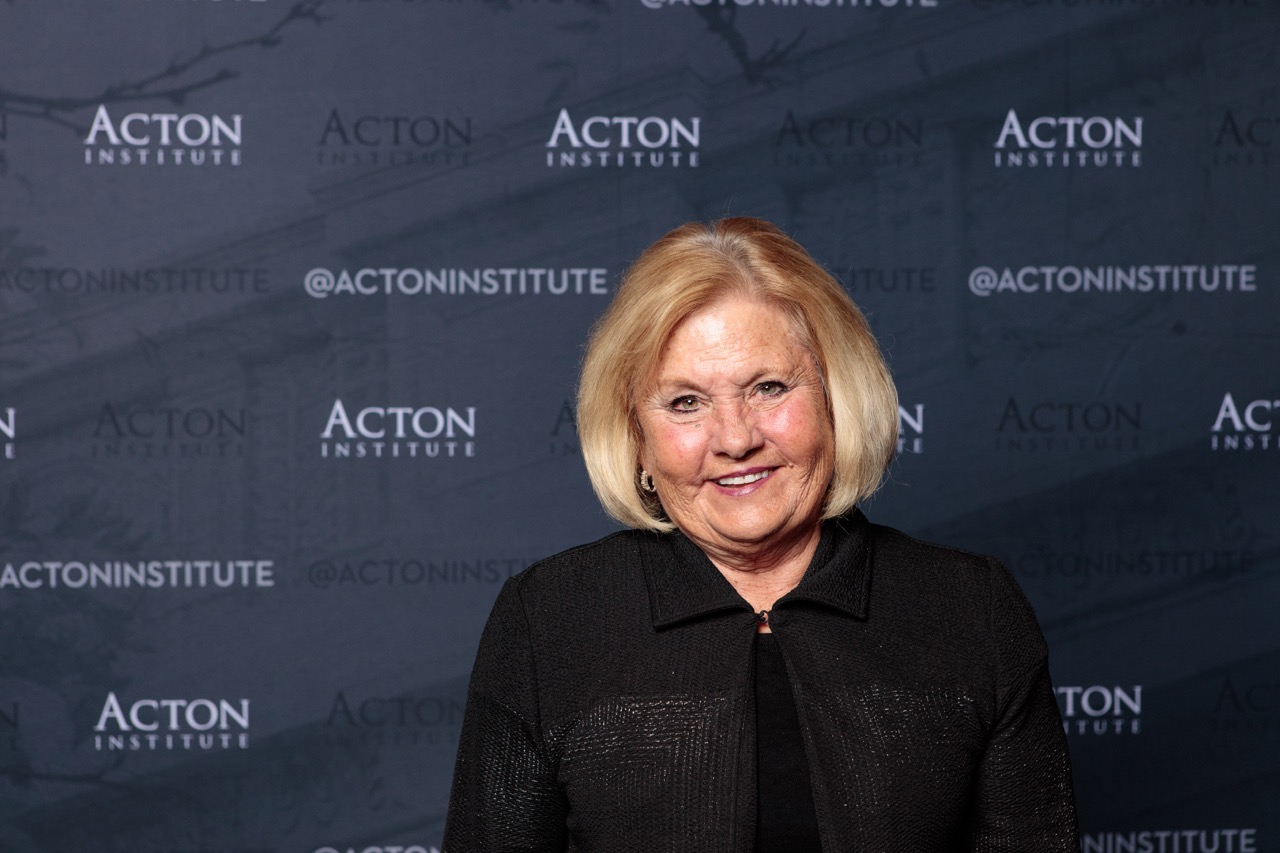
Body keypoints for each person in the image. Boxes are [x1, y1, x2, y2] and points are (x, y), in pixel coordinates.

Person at [443, 217, 1079, 852]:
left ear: (837, 400)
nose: (735, 438)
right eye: (686, 402)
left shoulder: (971, 609)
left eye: (768, 388)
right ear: (636, 438)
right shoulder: (548, 620)